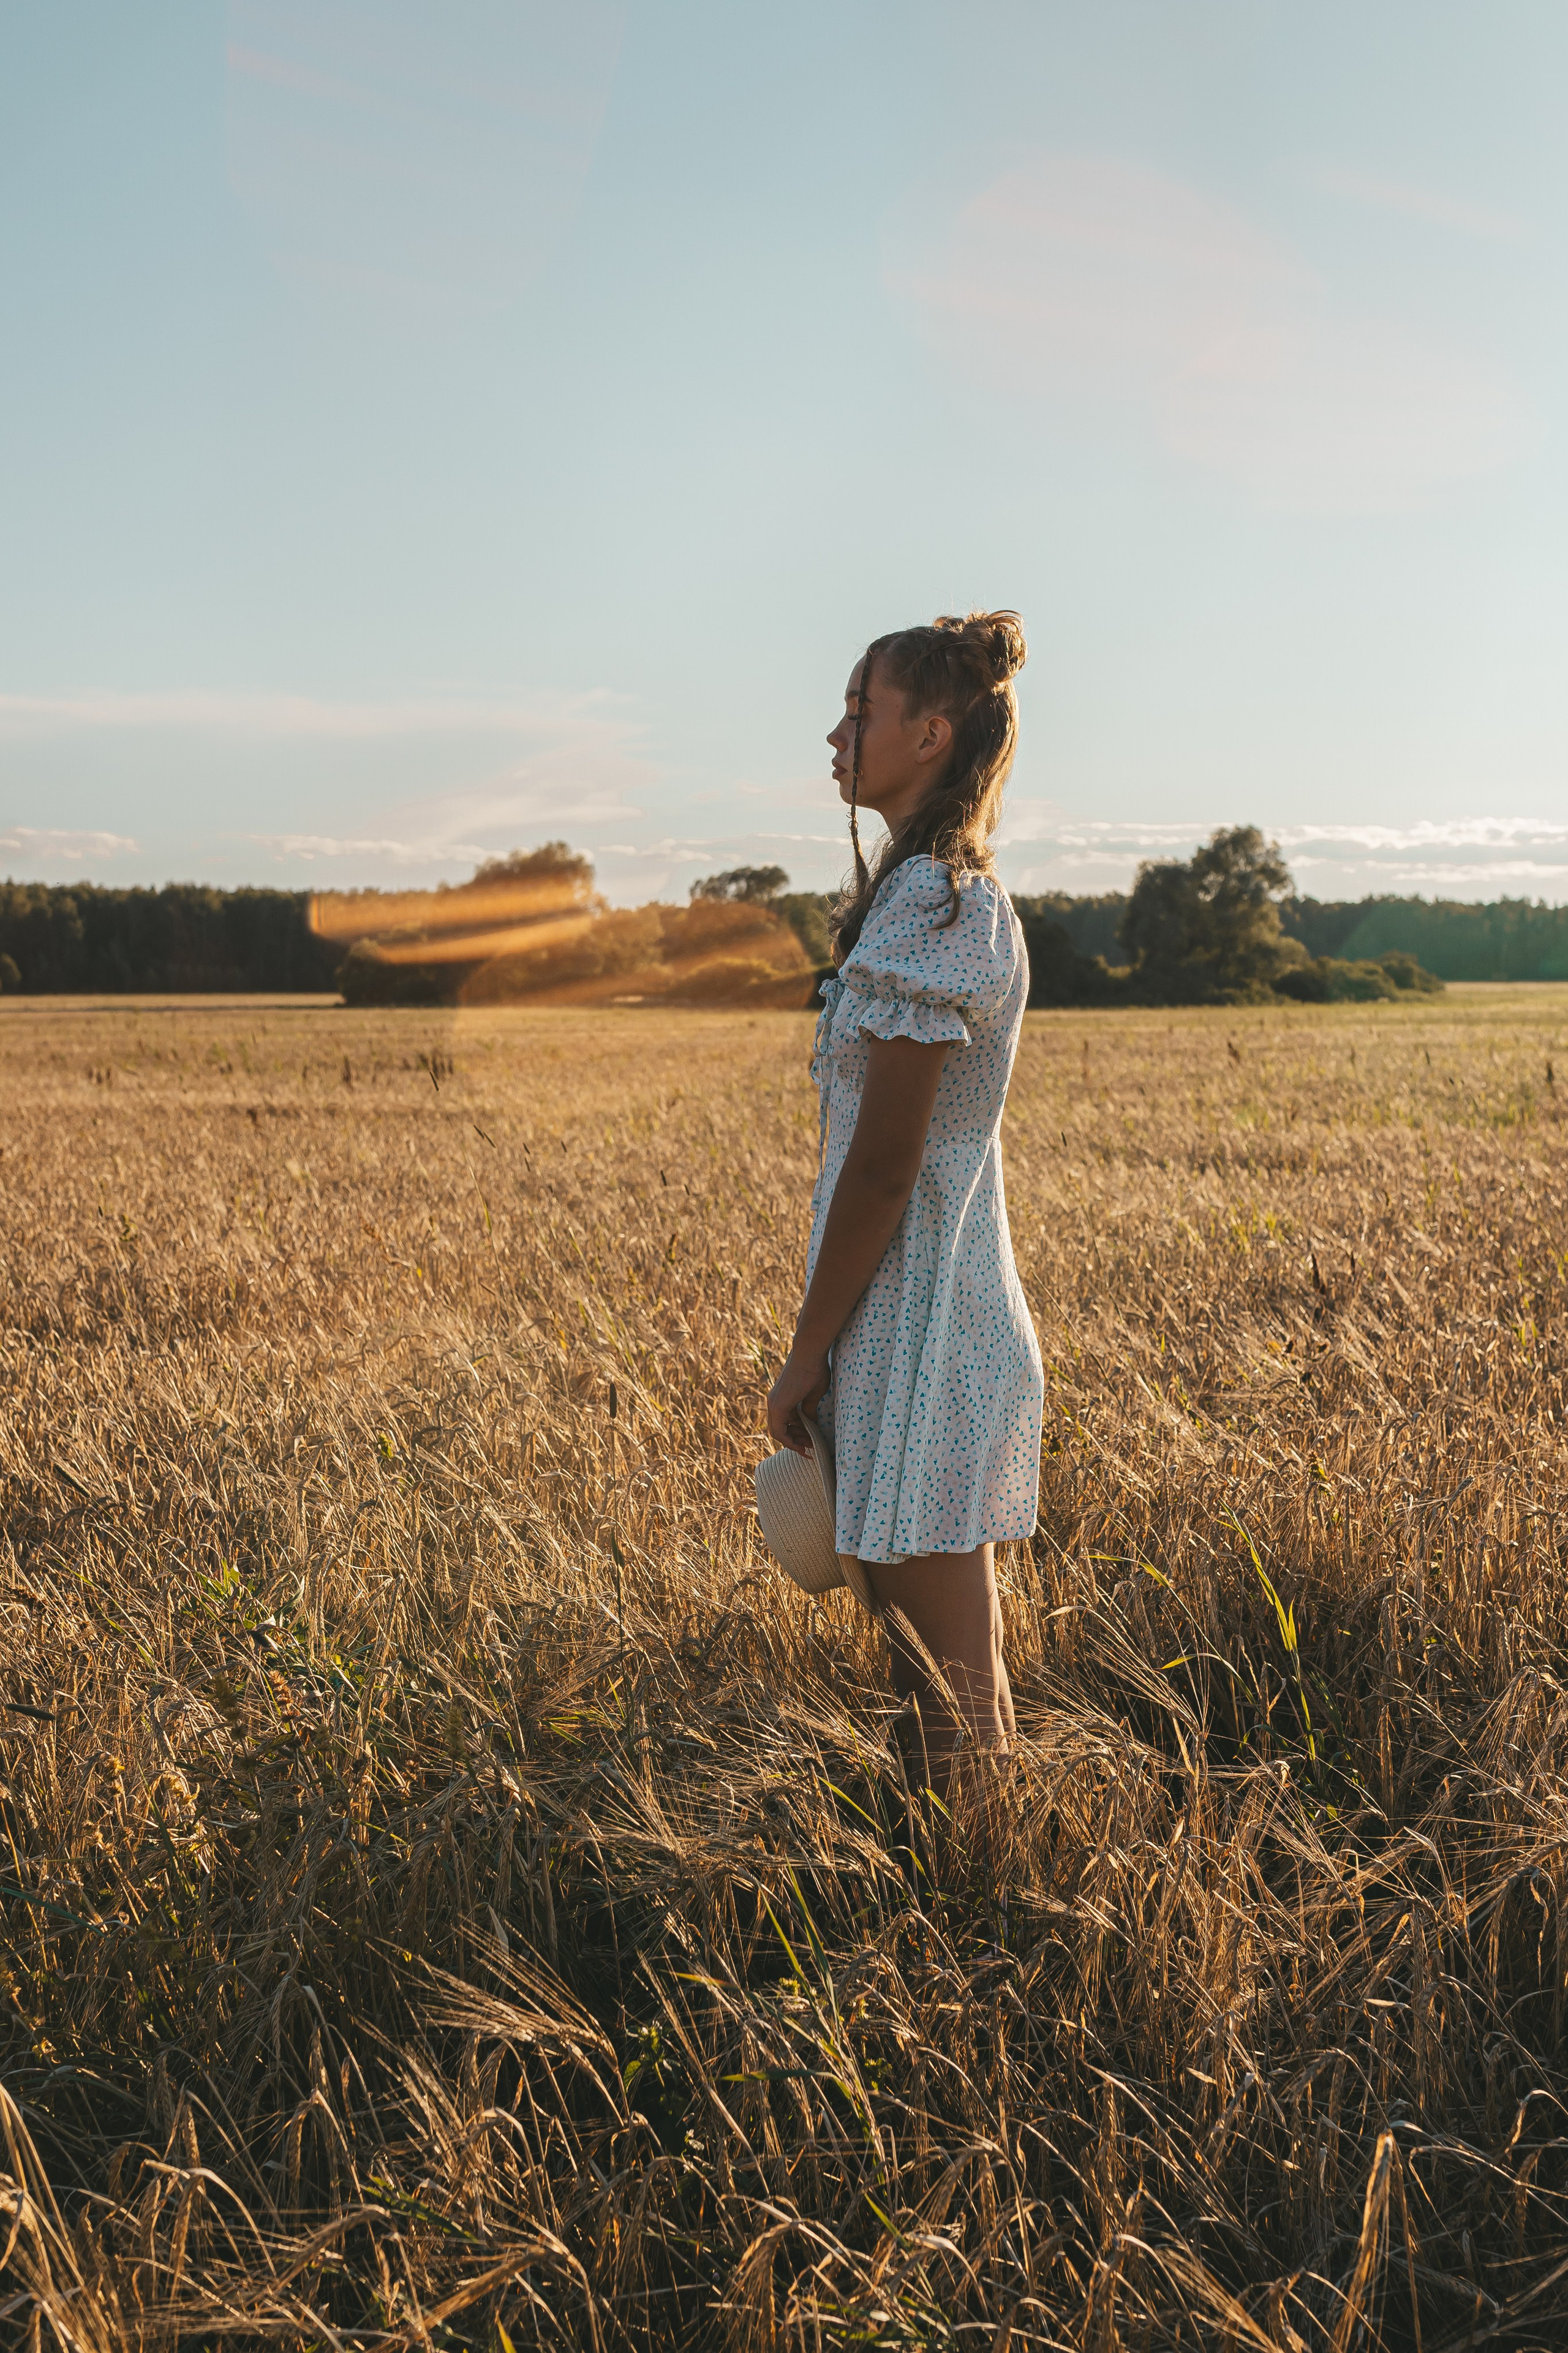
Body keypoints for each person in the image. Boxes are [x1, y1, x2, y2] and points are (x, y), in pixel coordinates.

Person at [766, 610, 1044, 1793]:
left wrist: (805, 1348)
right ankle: (978, 1915)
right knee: (935, 1700)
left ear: (930, 735)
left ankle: (1000, 1941)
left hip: (927, 1330)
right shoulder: (918, 902)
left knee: (952, 1719)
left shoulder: (936, 905)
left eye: (860, 710)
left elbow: (885, 1168)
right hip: (915, 1322)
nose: (837, 734)